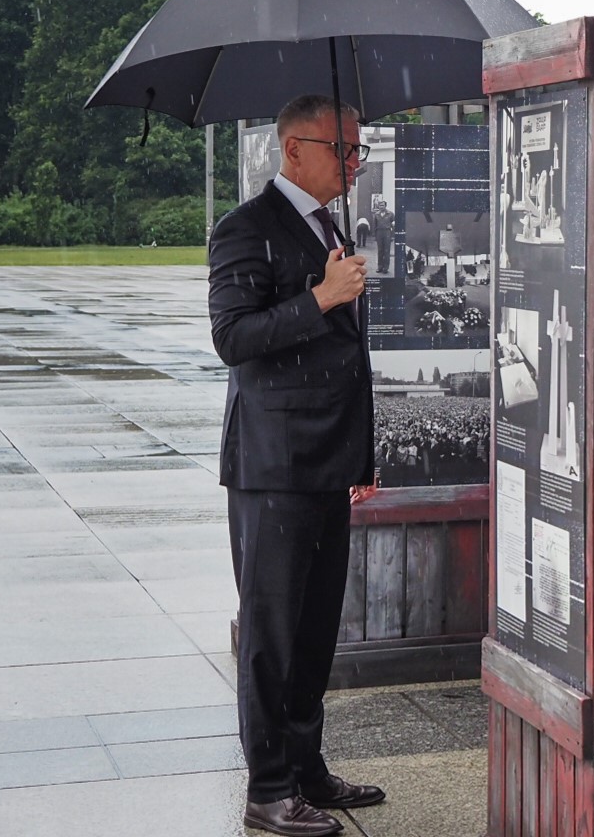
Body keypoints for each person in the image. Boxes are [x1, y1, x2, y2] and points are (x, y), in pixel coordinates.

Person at [209, 94, 386, 836]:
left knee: (316, 630)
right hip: (273, 466)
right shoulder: (244, 229)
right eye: (342, 149)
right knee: (272, 633)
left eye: (358, 151)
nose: (354, 163)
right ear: (293, 151)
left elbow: (350, 361)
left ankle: (308, 769)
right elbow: (234, 337)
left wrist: (363, 455)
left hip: (327, 461)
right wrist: (320, 297)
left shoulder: (330, 226)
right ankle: (269, 787)